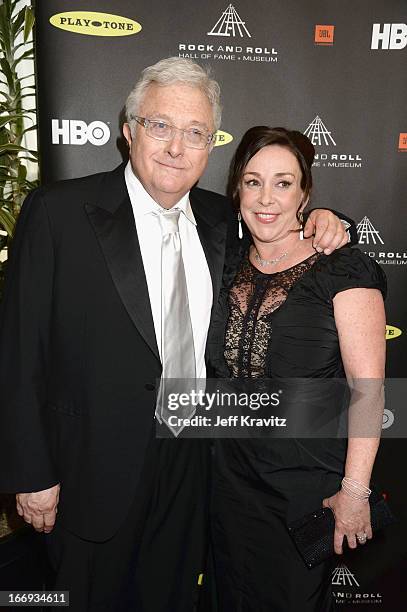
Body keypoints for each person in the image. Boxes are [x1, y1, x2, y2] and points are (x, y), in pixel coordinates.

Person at [0, 58, 351, 611]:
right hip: (90, 472)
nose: (175, 147)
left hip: (196, 473)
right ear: (129, 129)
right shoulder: (58, 212)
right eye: (160, 126)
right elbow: (20, 354)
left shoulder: (222, 219)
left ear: (210, 146)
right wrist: (31, 473)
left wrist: (328, 217)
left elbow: (280, 217)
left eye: (195, 133)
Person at [207, 126, 386, 611]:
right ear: (236, 190)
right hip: (225, 484)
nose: (267, 198)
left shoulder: (343, 270)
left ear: (305, 191)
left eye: (283, 183)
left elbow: (368, 392)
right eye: (252, 181)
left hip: (301, 491)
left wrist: (354, 491)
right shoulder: (222, 259)